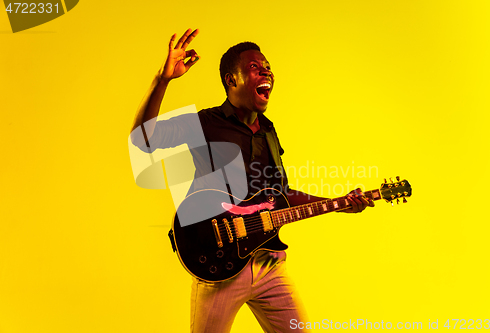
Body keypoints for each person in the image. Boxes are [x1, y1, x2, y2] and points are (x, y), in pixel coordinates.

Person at [131, 28, 374, 333]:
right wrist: (162, 79)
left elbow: (281, 194)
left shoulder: (268, 131)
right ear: (231, 80)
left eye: (267, 66)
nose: (266, 71)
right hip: (219, 266)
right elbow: (143, 139)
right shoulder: (206, 122)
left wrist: (337, 204)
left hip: (268, 264)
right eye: (255, 67)